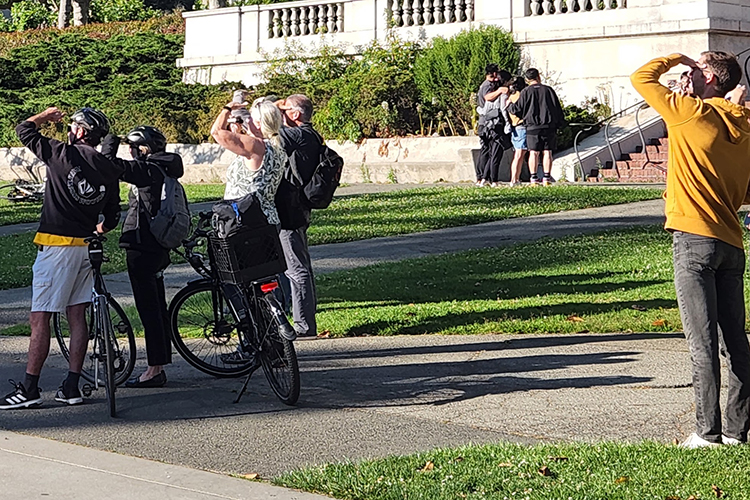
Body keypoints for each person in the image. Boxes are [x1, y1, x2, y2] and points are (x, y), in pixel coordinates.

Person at [631, 51, 750, 448]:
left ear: (711, 79)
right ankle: (736, 430)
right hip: (731, 242)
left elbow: (642, 78)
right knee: (736, 341)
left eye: (694, 70)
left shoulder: (689, 113)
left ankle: (707, 433)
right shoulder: (744, 125)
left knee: (701, 343)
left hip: (693, 239)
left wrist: (673, 57)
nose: (686, 75)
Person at [1, 107, 121, 409]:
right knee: (76, 315)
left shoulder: (62, 154)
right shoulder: (107, 167)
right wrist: (96, 228)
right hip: (85, 247)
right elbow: (113, 215)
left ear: (80, 131)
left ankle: (29, 387)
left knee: (40, 318)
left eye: (72, 126)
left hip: (57, 246)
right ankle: (71, 385)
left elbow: (24, 131)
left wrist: (44, 116)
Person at [100, 126, 184, 388]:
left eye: (134, 148)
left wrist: (109, 137)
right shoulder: (165, 168)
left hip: (143, 246)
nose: (131, 152)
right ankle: (158, 364)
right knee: (158, 308)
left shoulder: (148, 171)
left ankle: (154, 370)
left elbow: (109, 165)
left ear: (144, 149)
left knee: (149, 310)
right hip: (159, 246)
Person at [274, 94, 321, 340]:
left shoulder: (299, 135)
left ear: (295, 114)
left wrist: (270, 105)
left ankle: (304, 326)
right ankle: (300, 320)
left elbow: (269, 126)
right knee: (297, 265)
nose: (281, 113)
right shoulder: (309, 135)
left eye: (285, 109)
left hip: (290, 210)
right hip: (297, 208)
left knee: (296, 268)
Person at [507, 68, 565, 186]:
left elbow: (517, 109)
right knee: (547, 152)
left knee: (533, 152)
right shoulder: (548, 90)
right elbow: (557, 109)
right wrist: (559, 124)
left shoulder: (526, 92)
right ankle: (546, 178)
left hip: (532, 127)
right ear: (539, 76)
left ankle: (533, 178)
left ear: (527, 80)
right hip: (548, 126)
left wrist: (509, 105)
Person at [475, 64, 509, 187]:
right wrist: (500, 90)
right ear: (493, 74)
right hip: (490, 123)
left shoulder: (486, 84)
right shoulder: (487, 86)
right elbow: (488, 97)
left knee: (486, 151)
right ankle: (485, 177)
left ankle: (482, 177)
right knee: (490, 152)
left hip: (485, 122)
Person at [506, 76, 528, 187]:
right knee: (519, 154)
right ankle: (514, 179)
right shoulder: (521, 96)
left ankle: (516, 178)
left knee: (519, 154)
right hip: (521, 126)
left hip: (514, 127)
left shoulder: (511, 96)